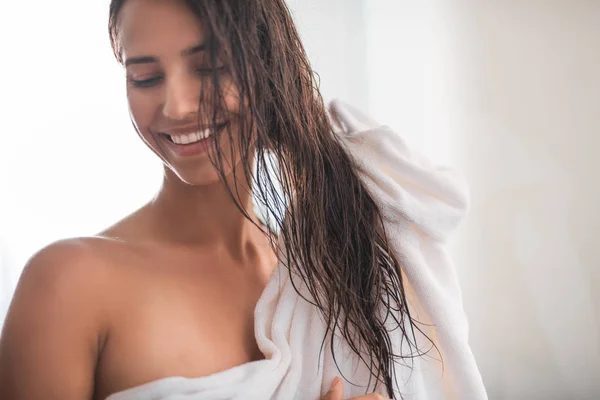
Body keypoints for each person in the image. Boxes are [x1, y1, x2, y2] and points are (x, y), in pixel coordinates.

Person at [0, 1, 487, 399]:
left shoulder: (328, 274)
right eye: (145, 78)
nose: (177, 106)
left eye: (210, 68)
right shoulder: (68, 286)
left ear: (269, 66)